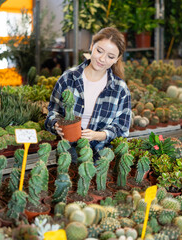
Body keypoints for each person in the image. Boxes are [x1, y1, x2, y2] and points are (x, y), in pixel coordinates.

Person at [45, 27, 132, 161]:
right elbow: (53, 112)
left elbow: (122, 128)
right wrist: (56, 125)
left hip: (102, 158)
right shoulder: (68, 78)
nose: (102, 59)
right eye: (99, 51)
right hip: (68, 155)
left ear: (117, 59)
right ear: (91, 46)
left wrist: (99, 135)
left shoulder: (120, 89)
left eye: (110, 56)